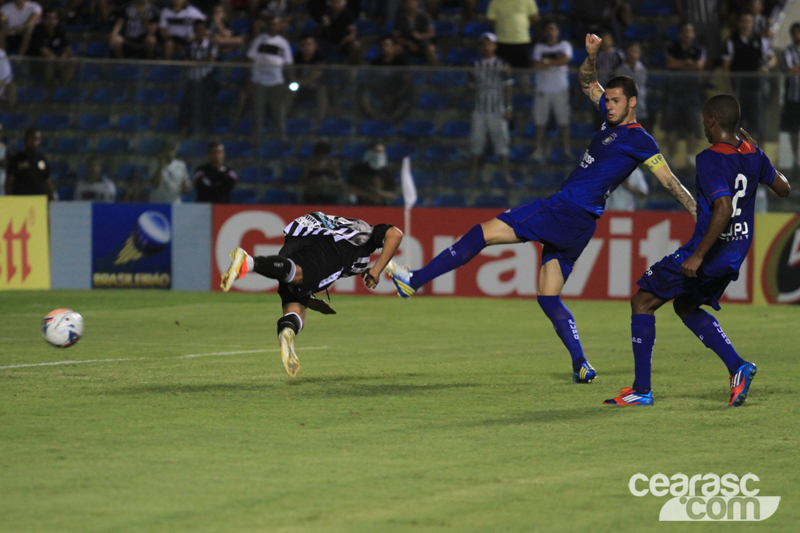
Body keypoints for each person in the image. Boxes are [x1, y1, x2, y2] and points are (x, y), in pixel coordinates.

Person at [387, 34, 697, 384]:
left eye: (615, 101)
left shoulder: (640, 139)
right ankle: (581, 363)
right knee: (548, 296)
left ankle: (414, 280)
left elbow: (669, 180)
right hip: (582, 224)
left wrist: (698, 213)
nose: (608, 105)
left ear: (632, 103)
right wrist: (591, 54)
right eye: (607, 100)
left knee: (483, 232)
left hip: (565, 209)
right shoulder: (608, 120)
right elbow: (586, 81)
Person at [605, 95, 791, 407]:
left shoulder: (710, 159)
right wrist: (758, 154)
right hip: (735, 253)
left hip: (710, 252)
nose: (704, 126)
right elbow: (784, 188)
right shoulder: (753, 155)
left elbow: (723, 207)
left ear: (712, 121)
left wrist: (699, 254)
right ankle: (738, 367)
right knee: (685, 305)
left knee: (642, 300)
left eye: (705, 121)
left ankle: (641, 390)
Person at [219, 212, 404, 377]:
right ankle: (248, 262)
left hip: (300, 232)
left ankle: (287, 333)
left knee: (295, 306)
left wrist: (313, 300)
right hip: (328, 241)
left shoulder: (355, 257)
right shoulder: (367, 234)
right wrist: (378, 269)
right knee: (299, 275)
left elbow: (321, 274)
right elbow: (395, 234)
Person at [468, 32, 513, 185]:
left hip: (497, 109)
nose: (487, 47)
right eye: (484, 44)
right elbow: (471, 87)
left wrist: (508, 107)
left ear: (494, 46)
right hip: (479, 110)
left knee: (502, 142)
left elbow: (508, 86)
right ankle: (473, 174)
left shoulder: (502, 65)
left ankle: (506, 174)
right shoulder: (475, 66)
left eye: (489, 44)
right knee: (476, 143)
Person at [722, 12, 776, 139]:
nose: (745, 24)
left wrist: (766, 67)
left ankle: (751, 152)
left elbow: (773, 58)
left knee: (754, 123)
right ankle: (735, 153)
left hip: (755, 88)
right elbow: (726, 67)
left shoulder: (760, 40)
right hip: (738, 89)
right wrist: (728, 88)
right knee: (736, 123)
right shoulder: (732, 41)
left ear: (752, 24)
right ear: (739, 24)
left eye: (748, 21)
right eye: (743, 21)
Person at [661, 22, 706, 169]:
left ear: (693, 34)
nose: (687, 34)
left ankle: (690, 156)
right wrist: (686, 64)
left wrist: (681, 64)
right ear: (680, 33)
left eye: (690, 31)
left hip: (691, 92)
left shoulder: (698, 49)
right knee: (671, 126)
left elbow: (699, 66)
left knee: (692, 126)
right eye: (685, 31)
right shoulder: (671, 46)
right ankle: (671, 156)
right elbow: (669, 64)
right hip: (673, 92)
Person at [245, 15, 292, 142]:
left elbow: (288, 64)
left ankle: (280, 140)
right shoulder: (259, 40)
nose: (273, 27)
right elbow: (250, 59)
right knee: (258, 114)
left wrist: (291, 82)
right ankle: (257, 141)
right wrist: (248, 80)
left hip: (276, 83)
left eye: (276, 24)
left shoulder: (283, 43)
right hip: (259, 82)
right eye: (271, 24)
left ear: (279, 26)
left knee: (278, 113)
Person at [531, 20, 572, 163]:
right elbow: (536, 65)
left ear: (557, 31)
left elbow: (565, 60)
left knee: (563, 122)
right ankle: (538, 149)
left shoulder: (564, 45)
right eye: (548, 29)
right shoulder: (539, 47)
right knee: (540, 122)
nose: (551, 32)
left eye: (553, 29)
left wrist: (547, 62)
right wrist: (555, 62)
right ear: (544, 32)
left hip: (560, 89)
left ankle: (566, 149)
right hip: (543, 89)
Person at [358, 35, 412, 123]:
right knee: (364, 95)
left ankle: (392, 120)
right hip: (379, 93)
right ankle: (377, 118)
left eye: (387, 45)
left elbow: (407, 83)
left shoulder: (401, 64)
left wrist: (395, 96)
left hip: (396, 94)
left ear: (394, 48)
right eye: (382, 45)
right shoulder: (375, 64)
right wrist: (381, 95)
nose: (384, 48)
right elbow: (371, 83)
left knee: (408, 97)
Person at [178, 19, 218, 136]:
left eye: (202, 29)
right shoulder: (189, 45)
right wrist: (200, 62)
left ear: (205, 31)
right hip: (192, 79)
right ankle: (187, 128)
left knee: (206, 104)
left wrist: (194, 62)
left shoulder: (211, 45)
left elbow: (210, 60)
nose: (200, 31)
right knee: (188, 104)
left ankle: (205, 129)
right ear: (194, 30)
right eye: (198, 29)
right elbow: (185, 61)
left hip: (206, 79)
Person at [486, 0, 538, 70]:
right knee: (503, 71)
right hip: (502, 42)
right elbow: (491, 19)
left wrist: (522, 26)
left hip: (522, 41)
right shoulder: (495, 1)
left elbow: (533, 16)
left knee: (524, 72)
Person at [288, 34, 327, 126]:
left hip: (314, 87)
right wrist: (296, 83)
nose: (306, 47)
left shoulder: (319, 57)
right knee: (288, 91)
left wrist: (301, 82)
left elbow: (316, 74)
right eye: (304, 44)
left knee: (322, 92)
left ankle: (319, 124)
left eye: (309, 44)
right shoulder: (296, 57)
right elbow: (291, 72)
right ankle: (288, 120)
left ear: (314, 45)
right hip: (298, 87)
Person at [5, 127, 54, 200]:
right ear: (25, 140)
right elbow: (9, 182)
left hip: (38, 201)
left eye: (37, 139)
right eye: (32, 139)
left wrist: (51, 198)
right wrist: (10, 199)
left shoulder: (42, 159)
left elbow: (47, 181)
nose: (34, 142)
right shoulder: (17, 159)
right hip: (21, 201)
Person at [28, 9, 73, 85]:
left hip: (57, 61)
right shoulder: (38, 30)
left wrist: (63, 58)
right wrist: (57, 61)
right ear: (44, 20)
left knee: (73, 60)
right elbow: (43, 50)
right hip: (38, 63)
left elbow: (67, 48)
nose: (51, 21)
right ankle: (48, 90)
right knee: (50, 61)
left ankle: (64, 87)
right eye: (49, 18)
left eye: (54, 18)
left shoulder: (59, 29)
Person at [615, 42, 649, 132]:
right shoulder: (620, 69)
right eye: (630, 51)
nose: (632, 54)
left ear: (639, 54)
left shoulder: (643, 69)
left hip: (640, 108)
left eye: (635, 51)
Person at [780, 22, 800, 171]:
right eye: (795, 32)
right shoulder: (787, 51)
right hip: (793, 96)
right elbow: (789, 69)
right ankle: (795, 158)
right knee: (793, 128)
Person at [393, 0, 438, 66]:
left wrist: (420, 36)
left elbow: (432, 33)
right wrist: (408, 43)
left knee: (431, 49)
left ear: (416, 3)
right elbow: (396, 37)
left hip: (422, 43)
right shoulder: (400, 18)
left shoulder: (424, 16)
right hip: (406, 44)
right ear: (405, 5)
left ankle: (434, 72)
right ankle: (401, 73)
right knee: (397, 49)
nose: (410, 5)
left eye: (412, 2)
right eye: (408, 3)